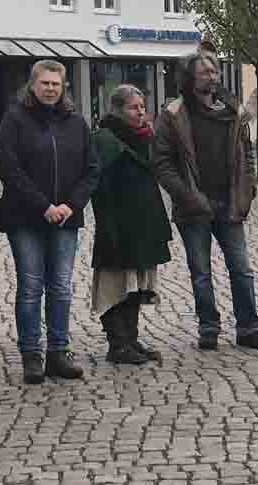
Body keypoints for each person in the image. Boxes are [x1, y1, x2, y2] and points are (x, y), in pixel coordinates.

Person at [154, 50, 258, 351]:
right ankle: (208, 327)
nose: (212, 76)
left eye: (214, 71)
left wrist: (248, 188)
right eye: (205, 71)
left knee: (242, 269)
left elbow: (246, 151)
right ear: (190, 78)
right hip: (193, 206)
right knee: (201, 272)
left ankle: (249, 327)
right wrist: (186, 195)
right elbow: (162, 164)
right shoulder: (173, 115)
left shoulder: (230, 111)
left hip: (229, 203)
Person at [0, 60, 99, 385]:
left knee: (61, 287)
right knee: (30, 286)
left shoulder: (76, 123)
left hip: (66, 218)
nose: (50, 89)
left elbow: (91, 169)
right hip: (26, 218)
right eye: (45, 83)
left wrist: (69, 204)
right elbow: (9, 169)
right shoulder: (15, 120)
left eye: (56, 84)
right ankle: (31, 355)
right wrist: (44, 206)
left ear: (63, 86)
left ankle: (58, 351)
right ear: (32, 85)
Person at [90, 85, 171, 365]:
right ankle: (117, 344)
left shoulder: (144, 138)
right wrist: (109, 226)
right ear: (118, 110)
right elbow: (100, 188)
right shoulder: (105, 139)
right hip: (117, 224)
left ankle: (131, 340)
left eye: (141, 107)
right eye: (133, 107)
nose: (140, 113)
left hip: (142, 224)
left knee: (135, 285)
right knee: (115, 285)